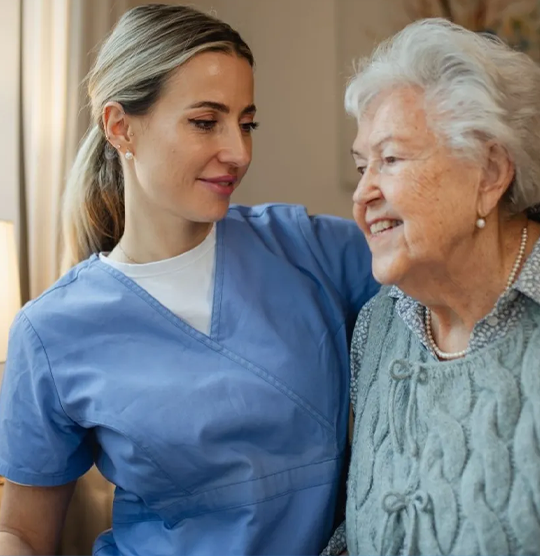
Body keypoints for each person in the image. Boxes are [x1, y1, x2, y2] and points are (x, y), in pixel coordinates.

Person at [0, 5, 377, 555]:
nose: (239, 152)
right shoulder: (50, 330)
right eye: (206, 122)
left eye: (247, 123)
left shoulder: (312, 251)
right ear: (119, 126)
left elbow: (454, 267)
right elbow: (22, 531)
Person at [343, 19, 540, 555]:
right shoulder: (380, 326)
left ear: (489, 172)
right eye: (361, 165)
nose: (363, 192)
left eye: (389, 160)